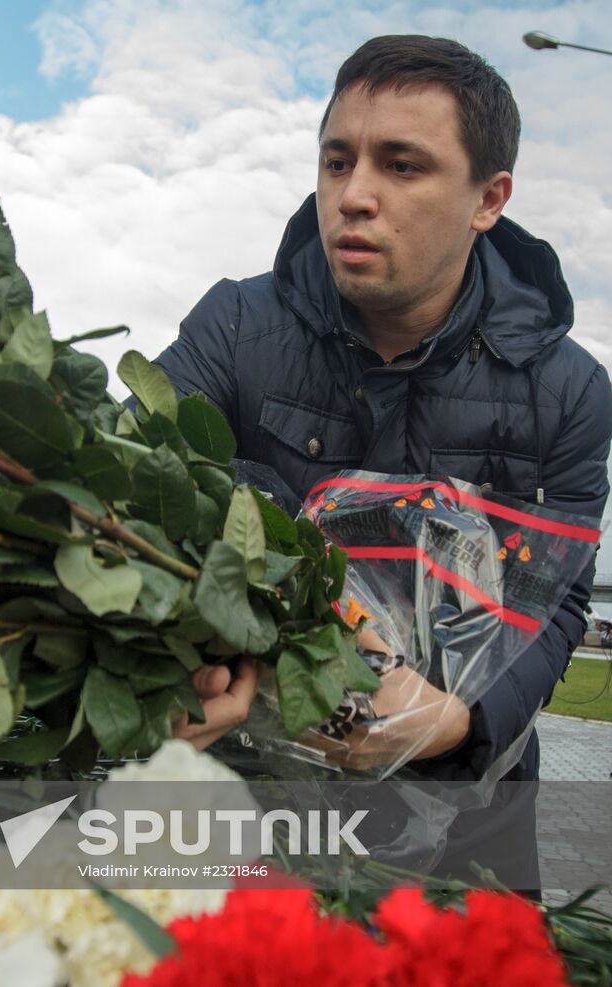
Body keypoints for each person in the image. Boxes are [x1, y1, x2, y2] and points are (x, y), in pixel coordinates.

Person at [159, 35, 611, 893]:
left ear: (489, 197)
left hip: (473, 810)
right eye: (337, 160)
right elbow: (156, 493)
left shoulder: (571, 392)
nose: (352, 196)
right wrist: (240, 647)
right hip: (255, 794)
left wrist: (460, 723)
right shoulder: (231, 331)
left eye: (401, 166)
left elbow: (562, 600)